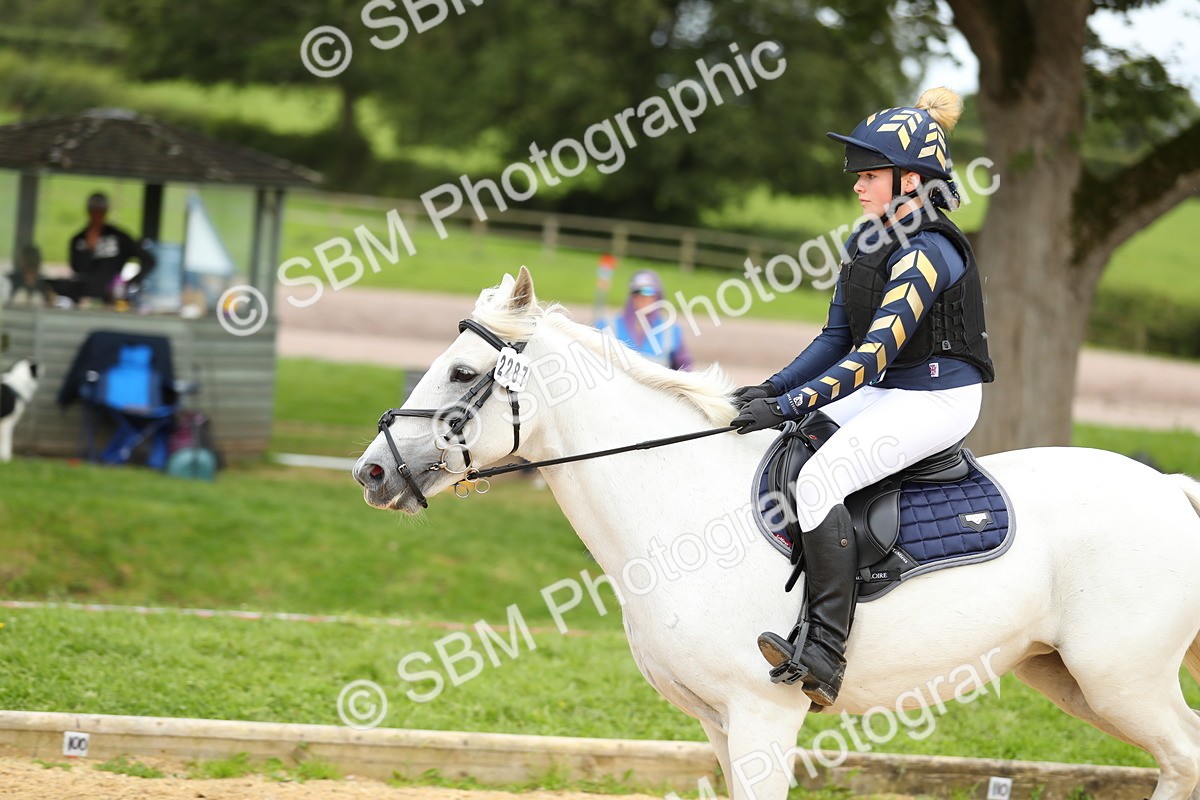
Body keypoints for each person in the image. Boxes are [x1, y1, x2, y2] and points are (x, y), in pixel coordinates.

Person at [729, 87, 994, 707]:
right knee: (790, 441)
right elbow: (835, 339)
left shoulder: (929, 251)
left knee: (821, 481)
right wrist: (772, 391)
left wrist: (793, 402)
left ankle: (823, 648)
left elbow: (871, 356)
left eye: (870, 174)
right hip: (887, 389)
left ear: (911, 180)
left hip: (939, 399)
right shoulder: (867, 242)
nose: (857, 184)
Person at [66, 192, 155, 306]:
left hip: (111, 298)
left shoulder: (119, 237)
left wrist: (129, 282)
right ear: (88, 211)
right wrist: (89, 249)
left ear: (105, 211)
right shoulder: (79, 239)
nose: (97, 215)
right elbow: (77, 268)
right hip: (83, 298)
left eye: (100, 211)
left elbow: (149, 261)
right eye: (94, 210)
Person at [598, 269, 693, 370]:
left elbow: (685, 368)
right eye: (636, 292)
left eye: (648, 291)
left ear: (658, 296)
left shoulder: (670, 331)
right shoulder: (607, 326)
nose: (642, 297)